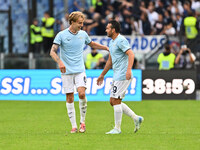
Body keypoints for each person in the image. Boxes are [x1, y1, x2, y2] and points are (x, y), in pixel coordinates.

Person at [50, 11, 109, 133]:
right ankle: (74, 126)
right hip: (66, 71)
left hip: (79, 70)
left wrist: (105, 47)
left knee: (81, 94)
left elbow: (92, 44)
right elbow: (52, 51)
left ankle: (83, 122)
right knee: (70, 97)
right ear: (72, 22)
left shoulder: (83, 34)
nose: (82, 25)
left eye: (82, 23)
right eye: (80, 23)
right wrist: (59, 62)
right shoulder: (61, 35)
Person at [97, 20, 143, 134]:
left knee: (116, 101)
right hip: (117, 74)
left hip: (123, 74)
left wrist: (129, 70)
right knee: (112, 101)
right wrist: (102, 74)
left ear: (113, 30)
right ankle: (136, 118)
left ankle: (117, 129)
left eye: (108, 28)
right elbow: (110, 60)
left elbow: (131, 54)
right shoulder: (112, 42)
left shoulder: (121, 40)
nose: (106, 30)